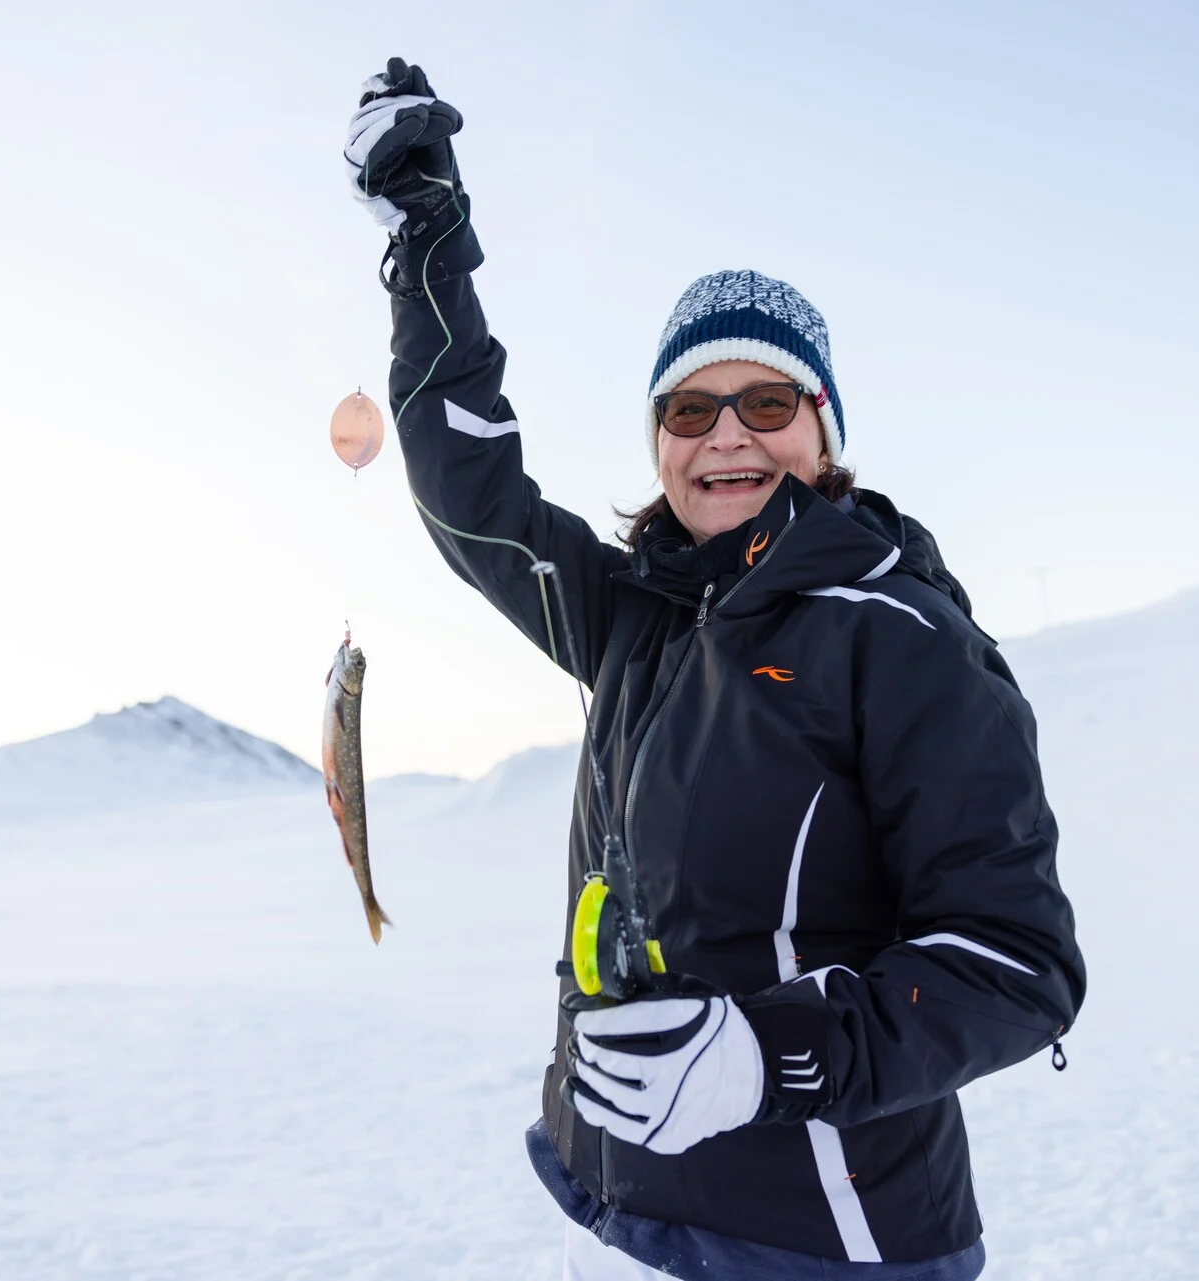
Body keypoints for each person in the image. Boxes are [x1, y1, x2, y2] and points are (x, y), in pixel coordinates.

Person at [344, 59, 1087, 1281]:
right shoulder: (633, 616)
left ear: (824, 428)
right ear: (659, 439)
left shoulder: (901, 638)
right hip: (611, 1204)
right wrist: (430, 244)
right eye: (690, 410)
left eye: (766, 400)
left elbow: (1017, 965)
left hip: (823, 1244)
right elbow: (468, 489)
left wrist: (766, 1055)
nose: (728, 432)